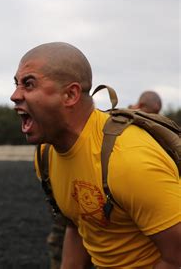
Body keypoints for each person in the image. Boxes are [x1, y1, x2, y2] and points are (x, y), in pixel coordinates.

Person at [10, 42, 180, 268]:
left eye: (28, 84)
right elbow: (78, 225)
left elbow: (176, 257)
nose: (14, 95)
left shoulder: (129, 160)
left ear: (70, 94)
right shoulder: (46, 154)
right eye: (16, 84)